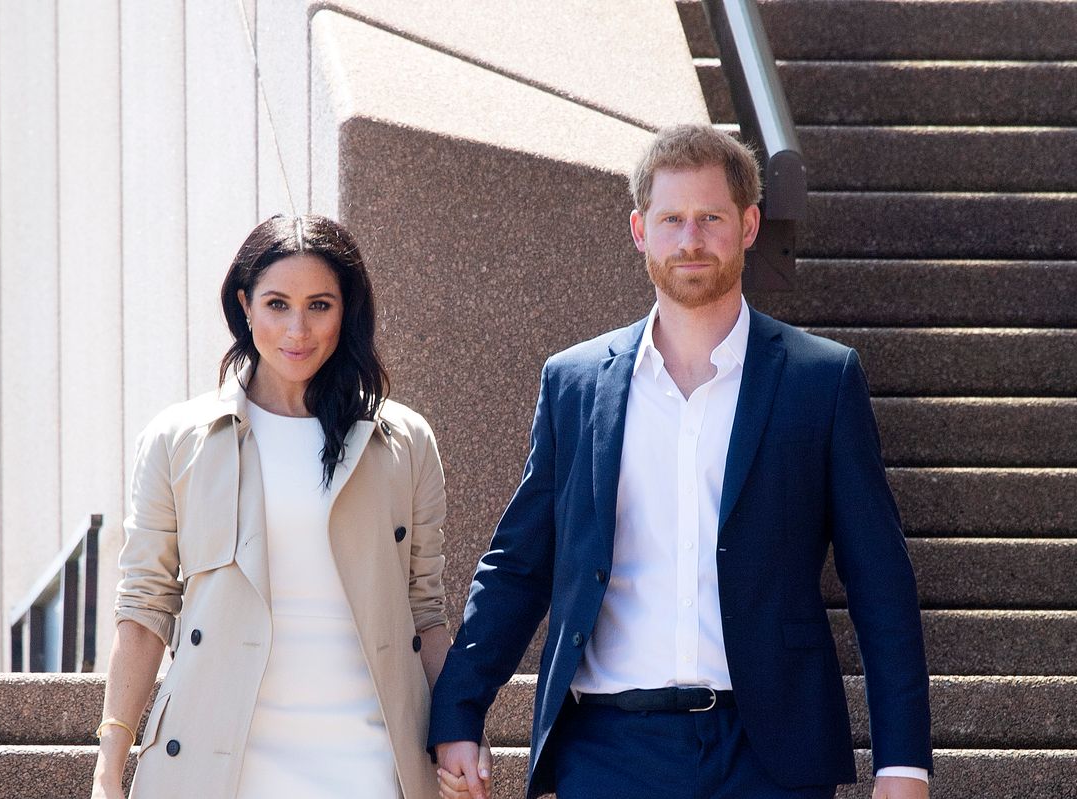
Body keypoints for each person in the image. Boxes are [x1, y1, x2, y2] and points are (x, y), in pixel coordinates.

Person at [429, 125, 932, 799]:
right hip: (608, 749)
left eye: (710, 219)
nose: (690, 240)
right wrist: (459, 709)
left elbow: (880, 584)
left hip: (770, 754)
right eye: (671, 219)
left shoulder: (822, 380)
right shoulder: (574, 383)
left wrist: (903, 763)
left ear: (749, 225)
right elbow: (520, 565)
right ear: (640, 230)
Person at [90, 214, 472, 799]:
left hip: (369, 754)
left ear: (347, 311)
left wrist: (458, 732)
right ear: (244, 305)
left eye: (320, 305)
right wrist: (110, 760)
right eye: (277, 304)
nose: (298, 329)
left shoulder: (403, 440)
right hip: (217, 757)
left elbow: (426, 611)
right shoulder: (177, 439)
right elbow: (144, 609)